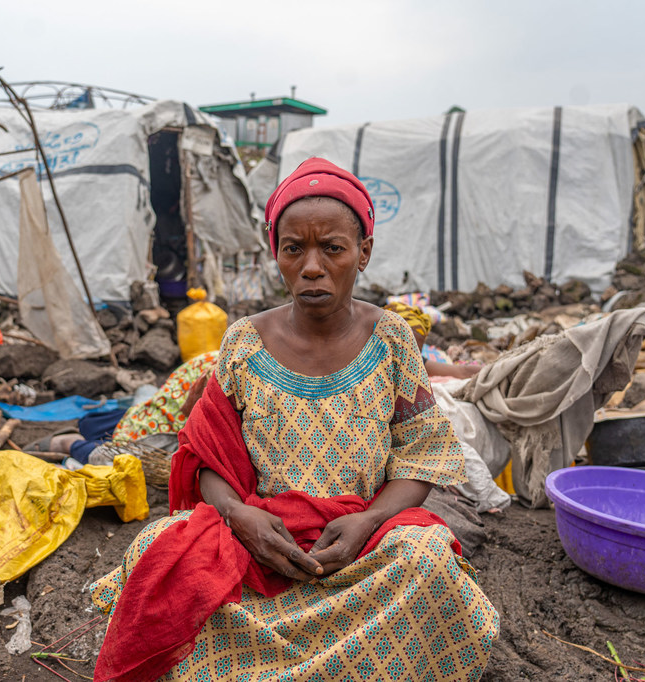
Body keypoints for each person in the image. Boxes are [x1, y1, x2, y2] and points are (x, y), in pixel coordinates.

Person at [90, 158, 499, 681]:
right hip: (262, 542)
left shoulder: (393, 339)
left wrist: (369, 521)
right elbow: (207, 455)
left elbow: (420, 454)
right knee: (159, 548)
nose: (311, 266)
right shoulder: (243, 340)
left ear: (363, 253)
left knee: (427, 560)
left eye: (332, 248)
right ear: (274, 254)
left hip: (358, 547)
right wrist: (241, 517)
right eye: (293, 249)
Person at [36, 349, 218, 465]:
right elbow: (189, 412)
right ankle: (68, 443)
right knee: (120, 464)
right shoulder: (221, 373)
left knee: (145, 395)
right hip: (163, 428)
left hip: (155, 407)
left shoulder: (223, 351)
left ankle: (93, 427)